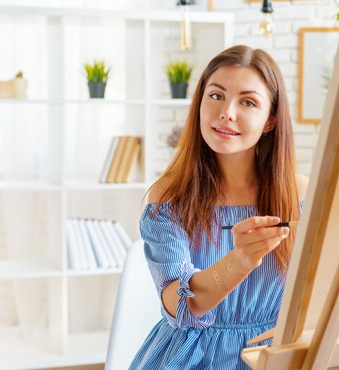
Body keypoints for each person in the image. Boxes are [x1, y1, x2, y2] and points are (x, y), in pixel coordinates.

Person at [129, 45, 308, 369]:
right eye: (216, 96)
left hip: (273, 356)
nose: (227, 111)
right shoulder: (168, 197)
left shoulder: (302, 195)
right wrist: (240, 259)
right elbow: (178, 306)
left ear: (270, 120)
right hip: (191, 358)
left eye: (248, 102)